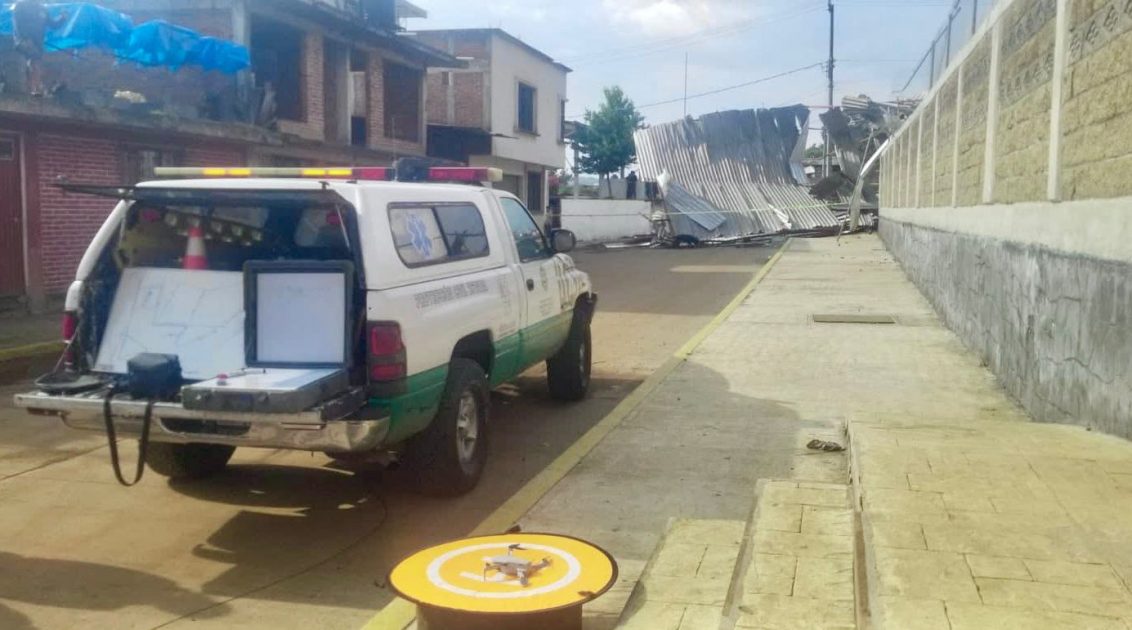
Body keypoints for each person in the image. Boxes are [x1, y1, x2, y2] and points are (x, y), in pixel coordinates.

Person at [12, 0, 64, 96]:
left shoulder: (42, 9)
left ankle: (35, 88)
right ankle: (35, 88)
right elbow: (18, 24)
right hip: (24, 40)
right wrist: (25, 37)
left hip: (38, 43)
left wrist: (62, 18)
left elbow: (53, 25)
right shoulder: (21, 5)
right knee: (34, 61)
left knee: (34, 61)